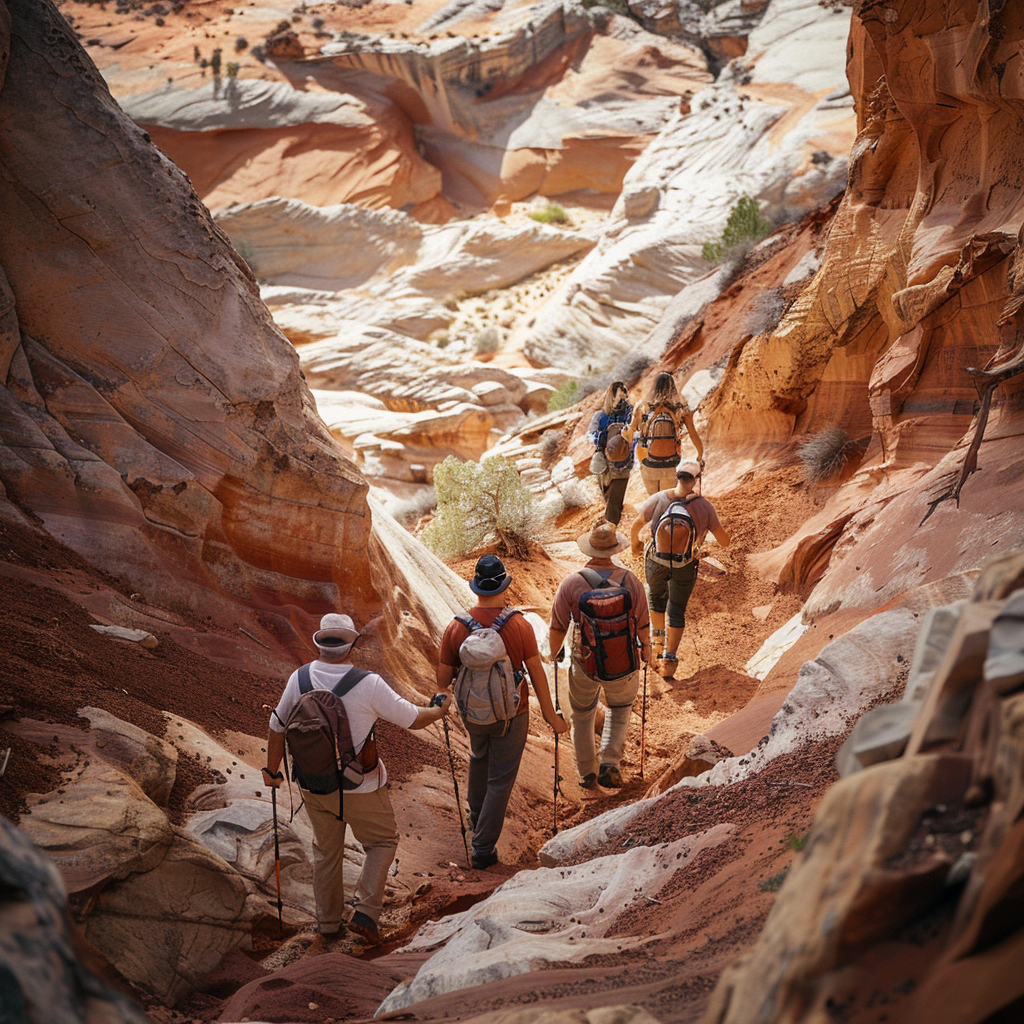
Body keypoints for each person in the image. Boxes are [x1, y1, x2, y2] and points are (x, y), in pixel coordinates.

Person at [262, 613, 451, 946]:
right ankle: (365, 914)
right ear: (352, 646)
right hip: (360, 785)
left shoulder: (300, 678)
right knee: (381, 842)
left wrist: (272, 771)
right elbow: (412, 719)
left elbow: (276, 726)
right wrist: (438, 710)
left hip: (314, 784)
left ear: (319, 644)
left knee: (326, 853)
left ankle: (328, 925)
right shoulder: (368, 683)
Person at [437, 555, 568, 869]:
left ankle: (475, 820)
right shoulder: (518, 625)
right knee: (501, 778)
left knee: (478, 758)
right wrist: (552, 717)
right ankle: (483, 849)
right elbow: (536, 674)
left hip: (472, 714)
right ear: (504, 586)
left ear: (477, 588)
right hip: (512, 714)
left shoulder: (456, 627)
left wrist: (440, 705)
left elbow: (443, 681)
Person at [548, 521, 652, 789]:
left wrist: (554, 653)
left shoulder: (572, 583)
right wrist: (647, 650)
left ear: (589, 549)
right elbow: (642, 623)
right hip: (624, 660)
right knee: (620, 710)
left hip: (585, 662)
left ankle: (586, 773)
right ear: (615, 548)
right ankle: (609, 763)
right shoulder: (631, 581)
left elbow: (558, 626)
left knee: (582, 714)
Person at [630, 460, 730, 679]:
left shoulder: (659, 498)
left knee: (656, 600)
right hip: (685, 564)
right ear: (696, 480)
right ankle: (670, 657)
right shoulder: (704, 506)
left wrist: (635, 545)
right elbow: (724, 541)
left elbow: (637, 524)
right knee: (676, 609)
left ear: (676, 476)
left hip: (656, 560)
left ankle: (656, 649)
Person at [625, 372, 704, 495]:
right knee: (666, 500)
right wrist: (700, 454)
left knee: (654, 499)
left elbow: (631, 433)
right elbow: (693, 433)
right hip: (670, 463)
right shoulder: (680, 408)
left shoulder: (643, 407)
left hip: (647, 462)